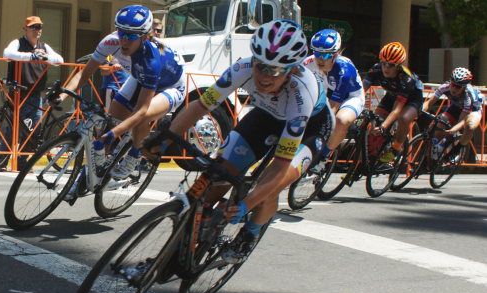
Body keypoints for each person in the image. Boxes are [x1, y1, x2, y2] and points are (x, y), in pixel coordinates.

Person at [142, 20, 333, 264]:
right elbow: (199, 107)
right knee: (217, 176)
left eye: (275, 70)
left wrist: (245, 206)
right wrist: (165, 140)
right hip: (266, 115)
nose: (264, 76)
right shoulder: (242, 67)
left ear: (292, 70)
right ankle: (175, 251)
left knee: (267, 189)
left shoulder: (301, 93)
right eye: (260, 65)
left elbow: (280, 166)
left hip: (310, 129)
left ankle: (249, 235)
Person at [51, 5, 186, 197]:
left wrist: (114, 133)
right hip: (140, 79)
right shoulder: (110, 42)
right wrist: (62, 95)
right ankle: (85, 179)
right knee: (109, 121)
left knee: (142, 116)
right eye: (121, 33)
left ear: (144, 36)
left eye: (130, 36)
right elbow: (84, 75)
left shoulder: (152, 59)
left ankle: (134, 157)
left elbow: (140, 110)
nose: (123, 40)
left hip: (171, 87)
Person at [0, 16, 63, 172]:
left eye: (39, 27)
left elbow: (59, 59)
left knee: (33, 129)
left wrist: (46, 57)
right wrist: (30, 56)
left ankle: (22, 161)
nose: (37, 30)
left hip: (36, 93)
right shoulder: (18, 43)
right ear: (25, 29)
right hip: (19, 92)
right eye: (33, 27)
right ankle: (1, 161)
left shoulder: (43, 46)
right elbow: (7, 54)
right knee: (14, 128)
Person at [302, 29, 364, 170]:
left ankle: (323, 157)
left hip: (351, 97)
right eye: (317, 53)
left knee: (339, 121)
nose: (320, 59)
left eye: (326, 54)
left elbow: (334, 106)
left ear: (336, 55)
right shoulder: (309, 62)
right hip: (328, 91)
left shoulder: (344, 70)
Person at [362, 42, 423, 162]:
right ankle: (363, 165)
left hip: (412, 100)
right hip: (391, 96)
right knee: (372, 127)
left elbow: (396, 110)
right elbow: (361, 90)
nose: (386, 68)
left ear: (398, 65)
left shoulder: (405, 78)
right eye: (384, 63)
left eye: (391, 65)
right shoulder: (376, 68)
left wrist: (383, 127)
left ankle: (395, 149)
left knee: (403, 118)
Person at [422, 67, 484, 161]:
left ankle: (456, 149)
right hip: (456, 106)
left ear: (464, 88)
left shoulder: (468, 97)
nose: (453, 88)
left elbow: (462, 121)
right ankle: (431, 159)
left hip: (473, 111)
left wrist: (452, 131)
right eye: (452, 84)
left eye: (458, 86)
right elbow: (429, 103)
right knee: (440, 126)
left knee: (469, 126)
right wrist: (418, 112)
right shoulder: (445, 86)